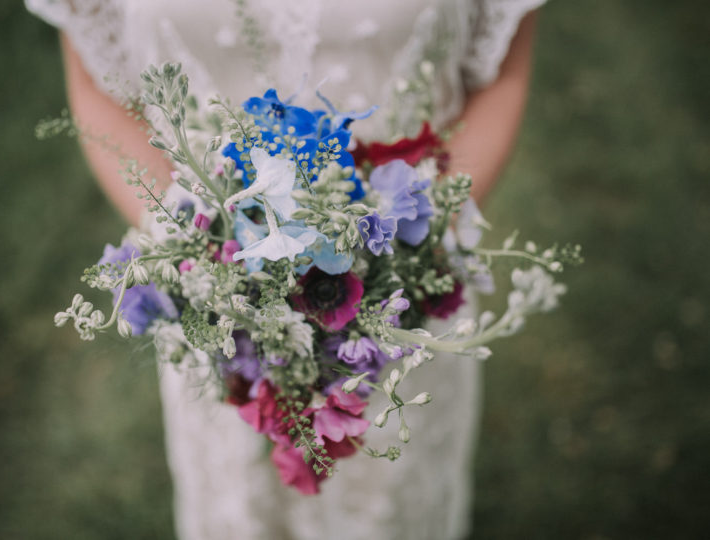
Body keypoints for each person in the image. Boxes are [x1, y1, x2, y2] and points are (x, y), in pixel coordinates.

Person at [27, 1, 544, 538]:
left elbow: (503, 74)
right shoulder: (212, 280)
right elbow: (98, 82)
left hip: (398, 299)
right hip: (220, 313)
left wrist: (408, 250)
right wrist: (199, 252)